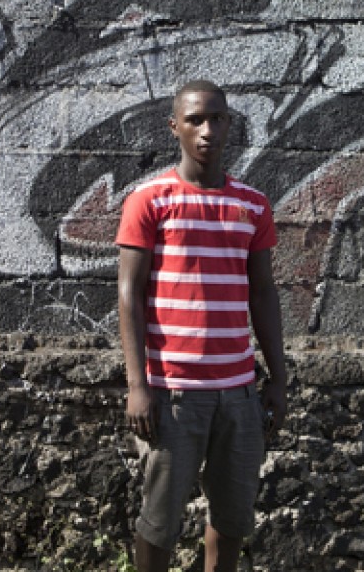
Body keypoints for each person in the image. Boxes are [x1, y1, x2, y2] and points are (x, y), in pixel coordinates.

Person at [116, 79, 288, 572]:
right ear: (175, 127)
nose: (207, 129)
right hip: (173, 394)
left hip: (239, 394)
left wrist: (277, 378)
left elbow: (263, 294)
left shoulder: (252, 205)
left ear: (229, 124)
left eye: (216, 118)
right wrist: (138, 386)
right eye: (195, 120)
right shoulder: (150, 200)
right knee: (159, 523)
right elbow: (129, 294)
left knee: (232, 521)